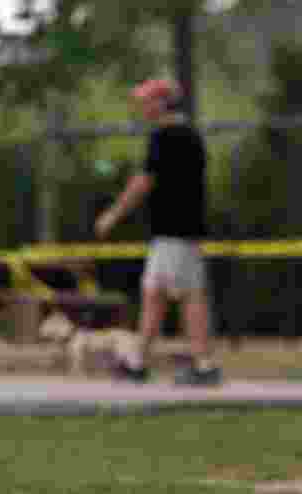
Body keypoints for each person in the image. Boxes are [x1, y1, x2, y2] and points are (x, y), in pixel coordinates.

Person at [95, 78, 222, 386]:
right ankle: (142, 361)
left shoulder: (166, 136)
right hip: (181, 230)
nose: (142, 108)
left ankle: (200, 365)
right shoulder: (190, 135)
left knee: (178, 295)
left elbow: (143, 181)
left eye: (147, 101)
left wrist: (113, 214)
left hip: (173, 231)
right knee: (160, 294)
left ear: (163, 103)